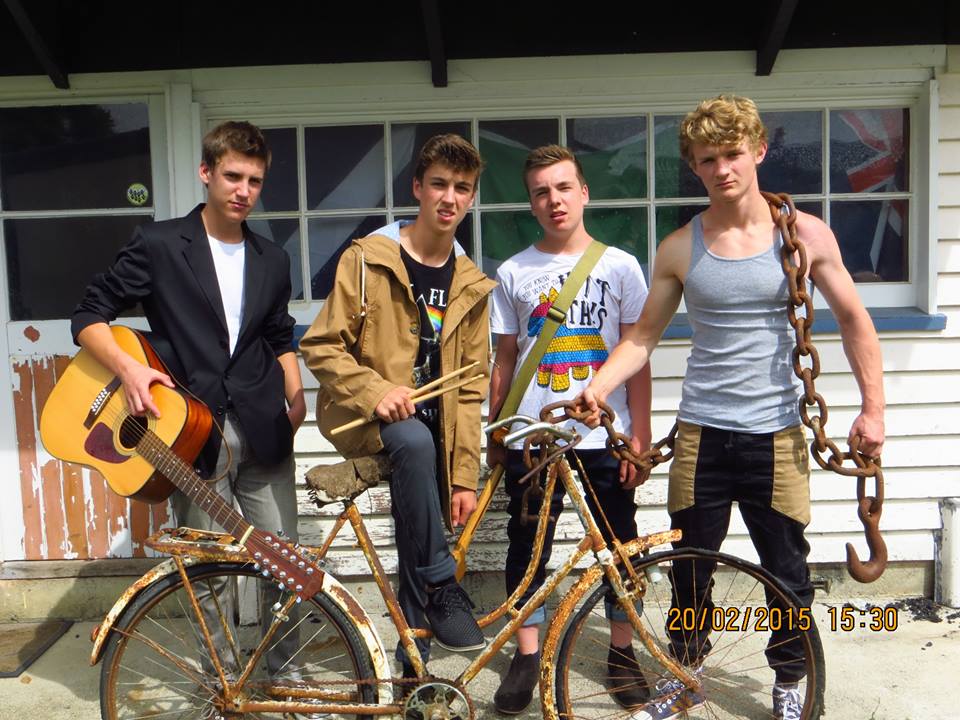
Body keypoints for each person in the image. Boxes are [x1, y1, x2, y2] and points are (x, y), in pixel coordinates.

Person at [580, 95, 885, 720]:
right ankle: (684, 673)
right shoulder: (679, 247)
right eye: (707, 159)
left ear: (758, 151)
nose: (721, 169)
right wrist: (599, 386)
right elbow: (642, 337)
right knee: (690, 569)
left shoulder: (805, 236)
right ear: (694, 166)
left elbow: (856, 320)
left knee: (786, 571)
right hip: (701, 437)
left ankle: (790, 679)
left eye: (732, 154)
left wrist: (872, 410)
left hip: (778, 435)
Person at [72, 121, 307, 683]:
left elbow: (279, 335)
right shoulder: (159, 245)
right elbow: (89, 314)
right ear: (207, 172)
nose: (243, 190)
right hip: (192, 432)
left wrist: (296, 398)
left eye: (254, 180)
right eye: (232, 176)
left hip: (264, 427)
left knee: (285, 563)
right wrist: (129, 368)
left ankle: (285, 676)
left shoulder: (272, 259)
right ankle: (222, 686)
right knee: (211, 572)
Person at [299, 134, 495, 676]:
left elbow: (470, 387)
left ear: (471, 197)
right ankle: (443, 584)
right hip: (367, 419)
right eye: (439, 184)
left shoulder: (472, 285)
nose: (449, 198)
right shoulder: (368, 259)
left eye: (462, 188)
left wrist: (463, 477)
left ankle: (414, 670)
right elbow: (320, 345)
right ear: (417, 188)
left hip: (435, 432)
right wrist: (376, 391)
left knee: (416, 536)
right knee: (412, 440)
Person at [486, 145, 652, 714]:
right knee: (527, 547)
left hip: (604, 435)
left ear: (583, 193)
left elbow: (637, 356)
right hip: (533, 436)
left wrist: (639, 435)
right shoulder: (512, 272)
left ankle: (622, 651)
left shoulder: (621, 266)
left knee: (619, 545)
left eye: (563, 188)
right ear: (531, 203)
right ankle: (527, 653)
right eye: (541, 192)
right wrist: (496, 429)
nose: (553, 200)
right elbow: (505, 359)